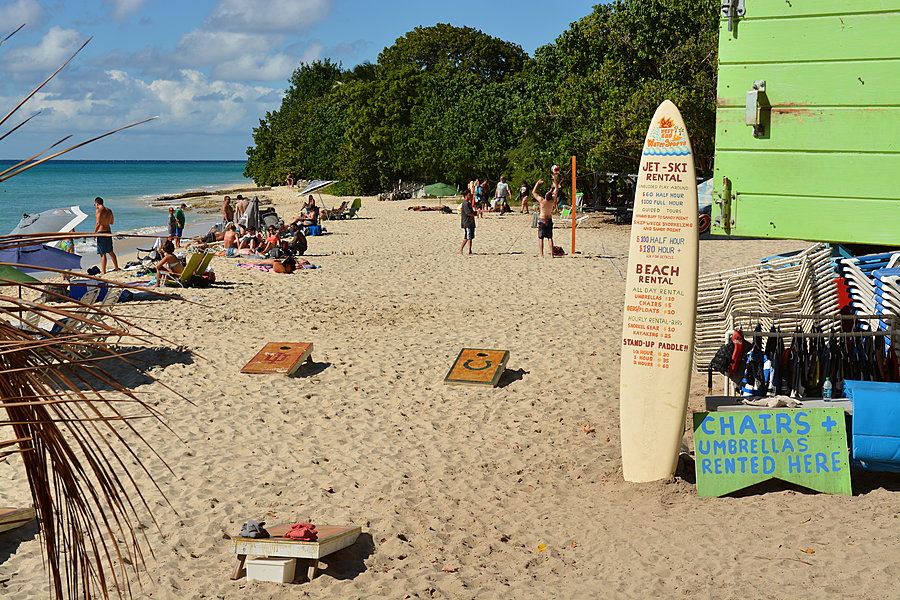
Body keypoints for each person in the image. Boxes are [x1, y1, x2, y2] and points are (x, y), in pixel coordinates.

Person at [532, 175, 558, 258]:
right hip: (549, 219)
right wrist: (554, 180)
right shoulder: (552, 201)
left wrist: (537, 183)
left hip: (542, 220)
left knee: (541, 238)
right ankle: (551, 254)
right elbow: (556, 189)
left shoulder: (542, 201)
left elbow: (534, 192)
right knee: (550, 238)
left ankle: (541, 254)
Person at [94, 197, 119, 274]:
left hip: (101, 232)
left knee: (102, 253)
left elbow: (98, 223)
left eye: (94, 204)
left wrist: (94, 233)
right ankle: (116, 267)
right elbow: (111, 222)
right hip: (108, 231)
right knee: (110, 251)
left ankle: (103, 271)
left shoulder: (98, 210)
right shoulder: (109, 210)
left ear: (97, 203)